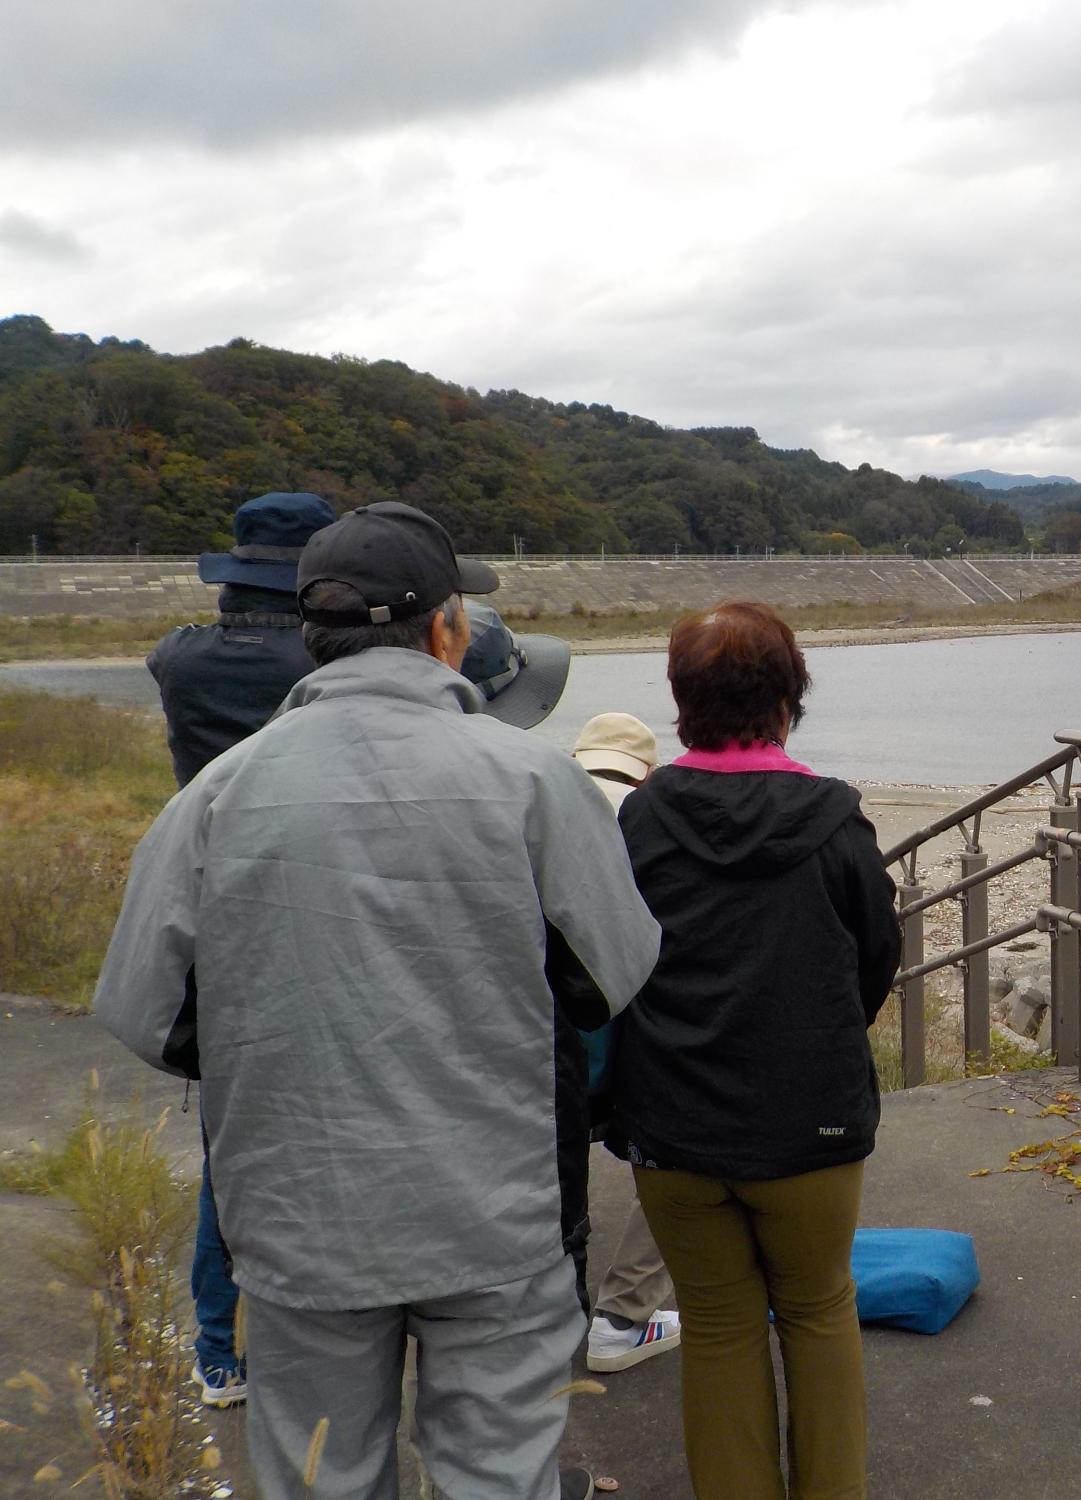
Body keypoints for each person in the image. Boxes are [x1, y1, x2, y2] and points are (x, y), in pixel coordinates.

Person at [95, 501, 661, 1500]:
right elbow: (609, 973)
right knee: (496, 1477)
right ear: (447, 630)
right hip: (494, 1214)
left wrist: (262, 1029)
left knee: (321, 1479)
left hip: (297, 1216)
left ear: (317, 633)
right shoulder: (534, 780)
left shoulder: (215, 795)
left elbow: (145, 1012)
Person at [607, 601, 899, 1500]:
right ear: (788, 697)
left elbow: (607, 964)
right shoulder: (834, 821)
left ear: (681, 699)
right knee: (817, 1314)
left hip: (674, 1126)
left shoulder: (641, 821)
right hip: (810, 1121)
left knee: (720, 1326)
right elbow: (875, 962)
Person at [147, 488, 336, 1408]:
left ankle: (216, 1350)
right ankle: (336, 1329)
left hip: (218, 920)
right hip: (324, 915)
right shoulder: (320, 663)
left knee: (230, 1154)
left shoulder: (180, 658)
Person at [568, 712, 683, 1372]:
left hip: (547, 1044)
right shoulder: (653, 818)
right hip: (637, 1043)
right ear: (646, 771)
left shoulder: (544, 800)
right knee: (678, 1156)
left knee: (551, 1174)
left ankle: (548, 1310)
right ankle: (625, 1309)